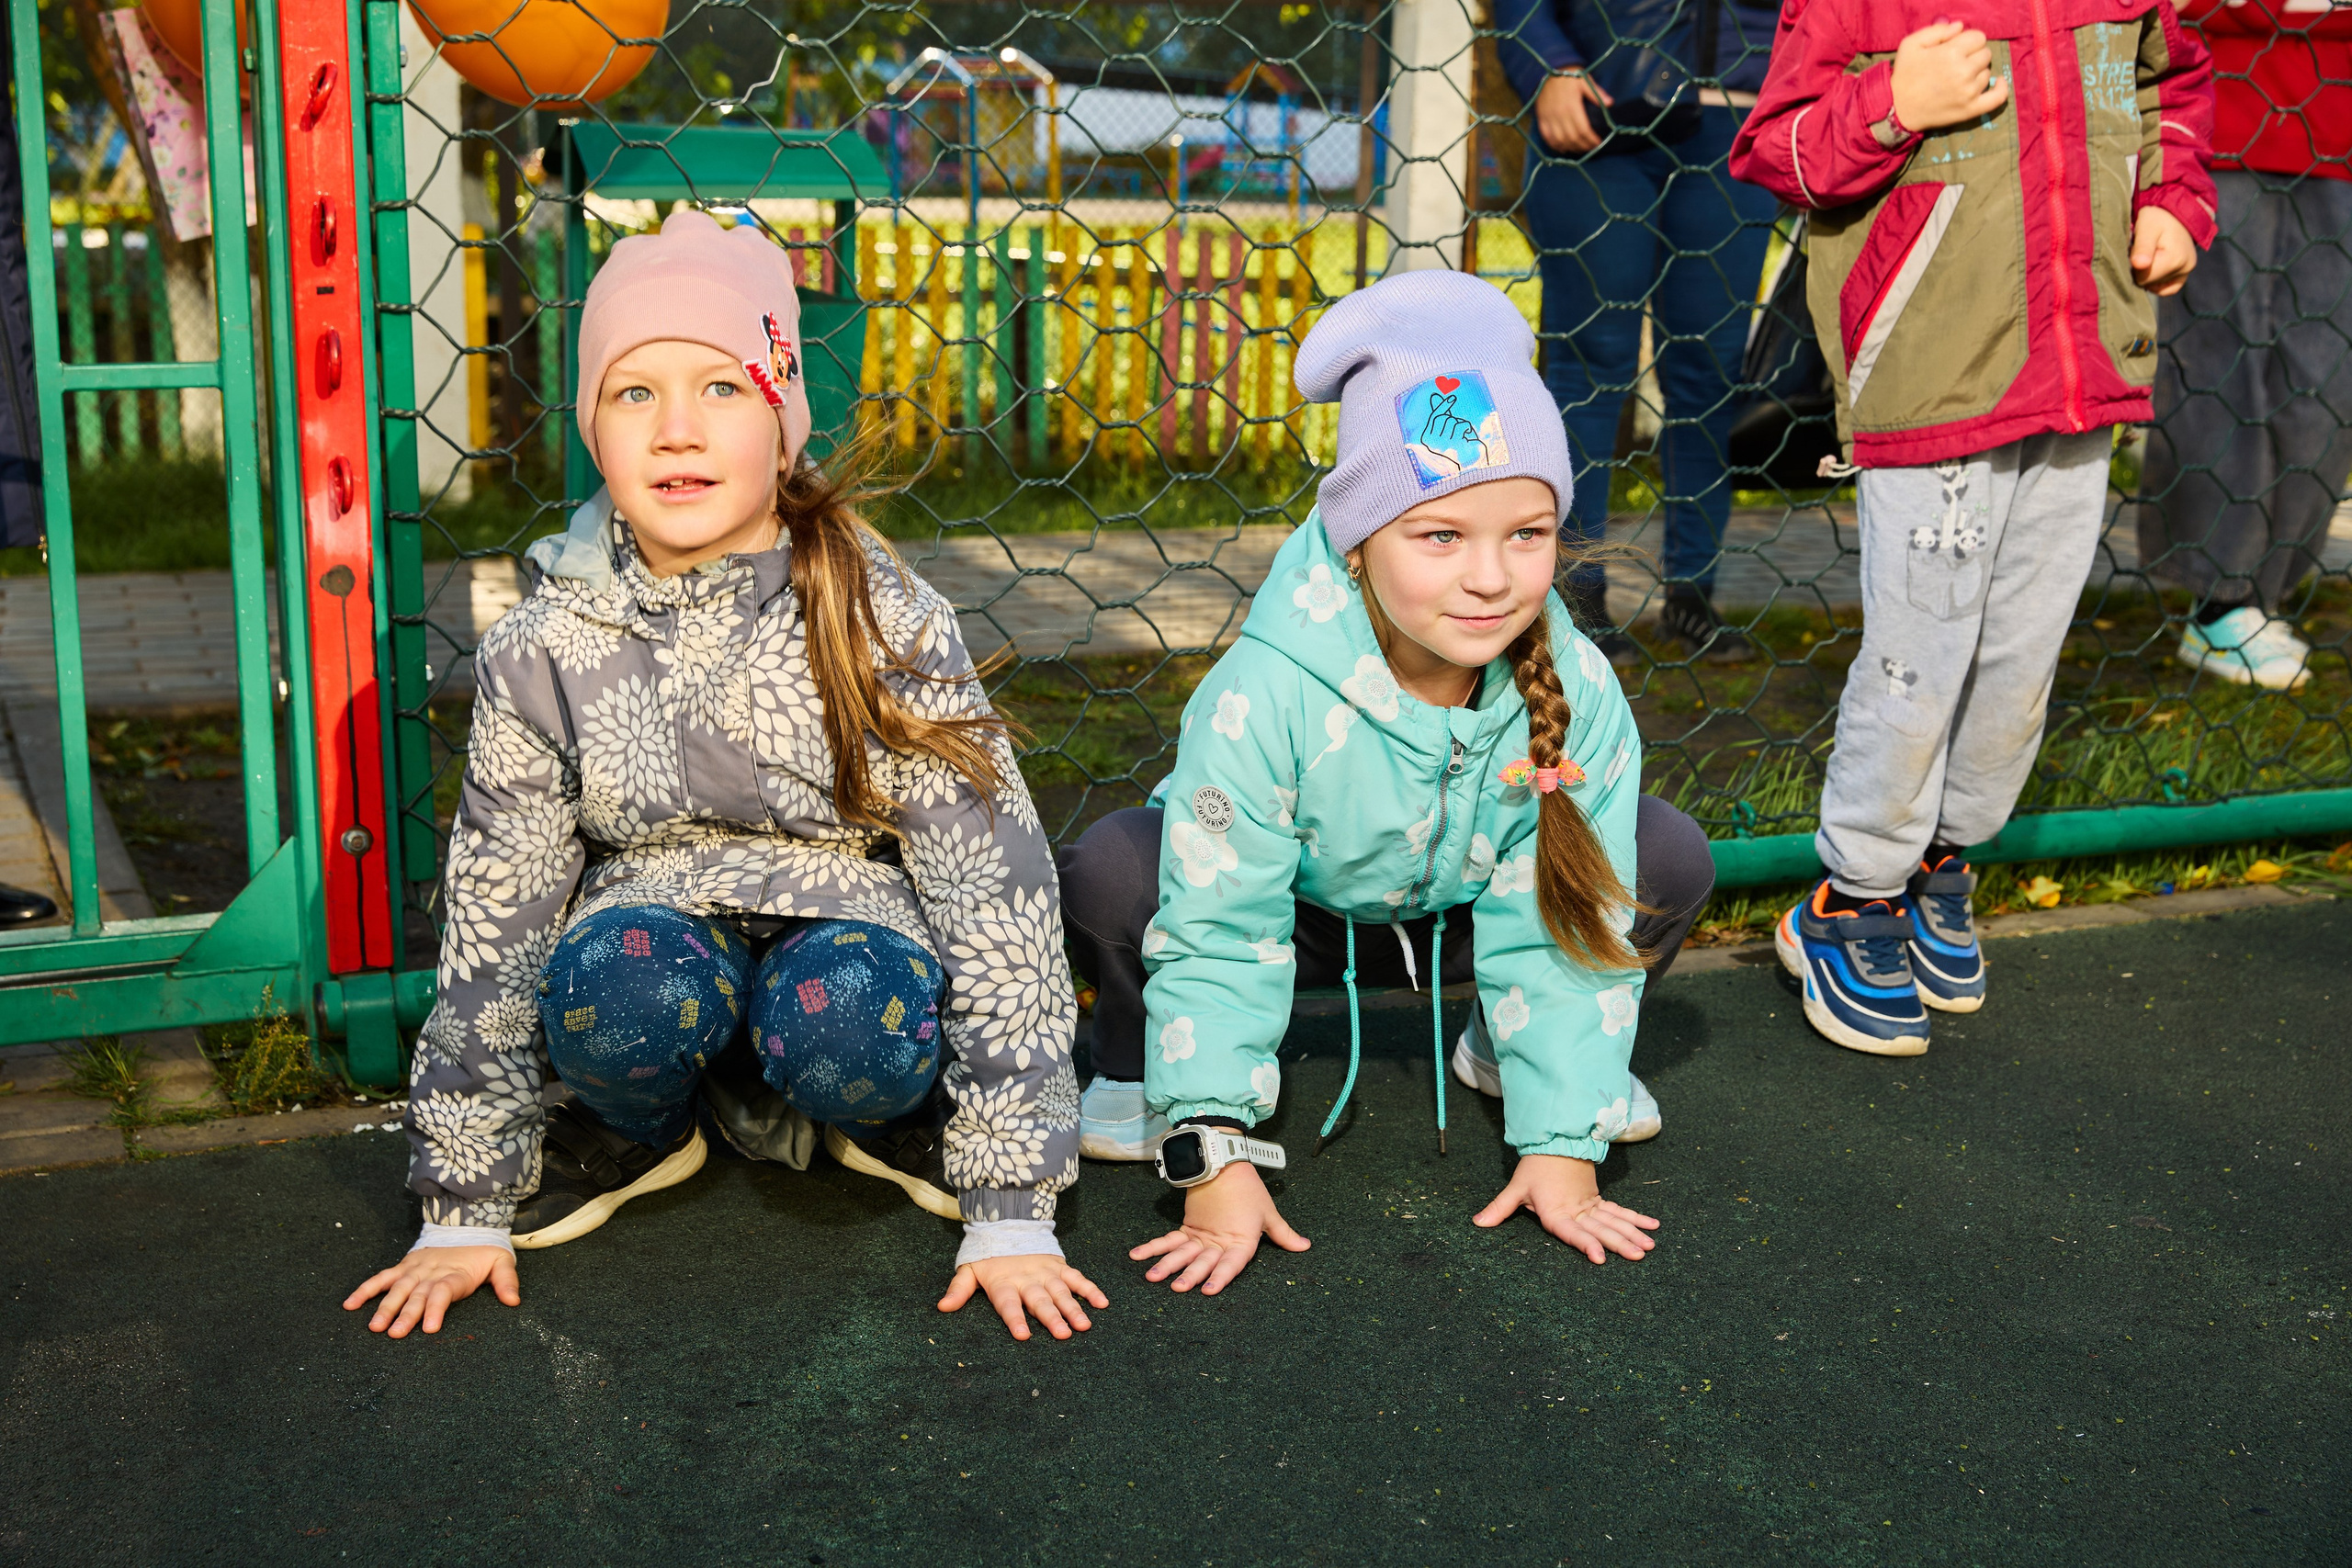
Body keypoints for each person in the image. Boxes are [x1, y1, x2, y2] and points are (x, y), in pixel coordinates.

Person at [345, 211, 1098, 1343]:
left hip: (845, 929)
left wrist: (1012, 1203)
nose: (676, 430)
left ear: (785, 422)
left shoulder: (878, 617)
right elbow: (497, 913)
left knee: (852, 1017)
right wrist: (463, 1200)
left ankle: (885, 1119)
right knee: (621, 990)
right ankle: (642, 1125)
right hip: (654, 925)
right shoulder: (544, 647)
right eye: (633, 393)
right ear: (592, 430)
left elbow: (992, 887)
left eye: (723, 389)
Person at [1057, 271, 1719, 1295]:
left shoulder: (1572, 684)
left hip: (1456, 913)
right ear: (1358, 546)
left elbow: (1569, 912)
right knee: (1116, 871)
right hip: (1301, 912)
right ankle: (1146, 1068)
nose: (1490, 577)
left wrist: (1562, 1143)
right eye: (1440, 535)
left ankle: (1516, 1055)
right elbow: (1223, 924)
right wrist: (1216, 1148)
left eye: (1526, 535)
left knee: (1663, 854)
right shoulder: (1266, 691)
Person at [1729, 6, 2215, 1054]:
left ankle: (1941, 855)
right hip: (1932, 379)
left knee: (2018, 657)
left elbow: (2170, 89)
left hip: (2083, 371)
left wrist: (2173, 196)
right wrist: (1892, 105)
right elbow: (1777, 151)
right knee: (1922, 655)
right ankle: (1851, 895)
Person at [1492, 0, 1784, 662]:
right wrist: (1547, 67)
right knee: (1592, 361)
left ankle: (1691, 600)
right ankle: (1574, 596)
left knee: (1709, 370)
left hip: (1737, 120)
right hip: (1599, 108)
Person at [2136, 0, 2352, 692]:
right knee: (2220, 368)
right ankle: (2218, 597)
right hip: (2216, 120)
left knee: (2324, 380)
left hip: (2338, 128)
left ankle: (2266, 590)